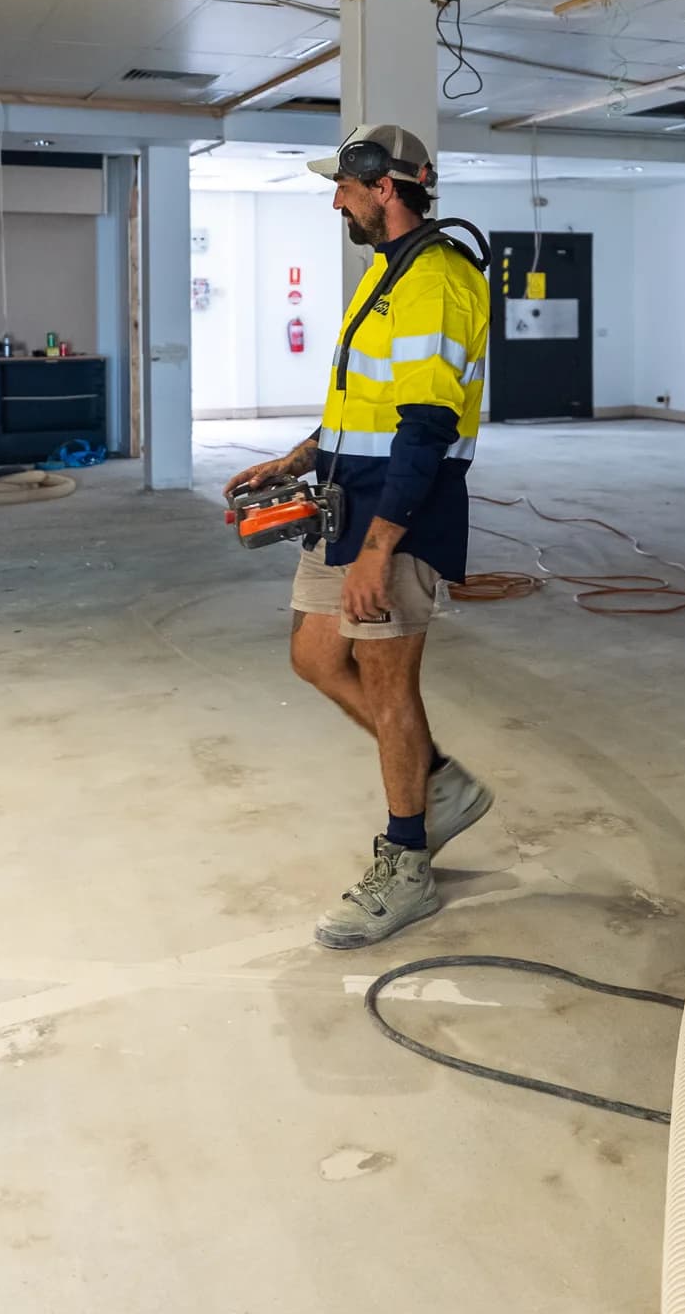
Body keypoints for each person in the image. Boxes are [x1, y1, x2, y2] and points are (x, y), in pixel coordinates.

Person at [224, 125, 493, 950]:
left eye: (344, 186)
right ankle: (439, 783)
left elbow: (423, 426)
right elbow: (362, 406)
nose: (334, 198)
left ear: (387, 188)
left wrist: (380, 549)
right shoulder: (389, 272)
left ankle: (406, 862)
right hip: (346, 497)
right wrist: (297, 457)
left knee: (388, 683)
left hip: (397, 514)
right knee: (313, 655)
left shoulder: (438, 282)